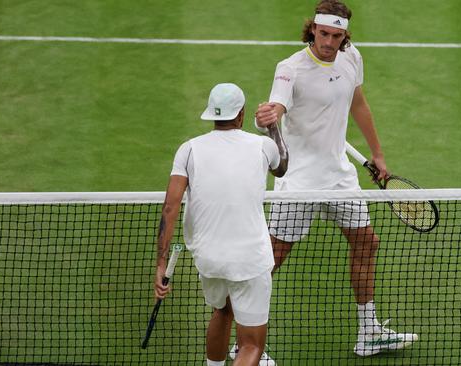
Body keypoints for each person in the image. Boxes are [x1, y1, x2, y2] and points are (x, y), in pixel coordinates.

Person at [253, 0, 418, 358]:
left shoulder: (351, 57)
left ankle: (369, 332)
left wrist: (378, 154)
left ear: (345, 34)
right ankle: (246, 343)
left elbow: (358, 102)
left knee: (366, 243)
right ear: (312, 28)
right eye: (323, 33)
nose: (328, 41)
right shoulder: (289, 69)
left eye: (336, 35)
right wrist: (270, 113)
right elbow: (277, 107)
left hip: (340, 177)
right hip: (299, 182)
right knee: (271, 259)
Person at [154, 83, 287, 366]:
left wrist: (160, 264)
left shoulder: (188, 150)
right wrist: (273, 127)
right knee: (251, 345)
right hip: (250, 261)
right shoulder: (262, 146)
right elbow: (282, 165)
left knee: (222, 311)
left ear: (212, 115)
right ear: (241, 114)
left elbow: (171, 206)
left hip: (209, 259)